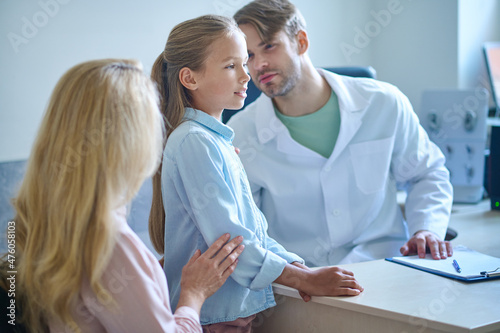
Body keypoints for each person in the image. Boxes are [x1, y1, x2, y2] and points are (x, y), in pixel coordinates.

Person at [148, 14, 363, 332]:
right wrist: (303, 278)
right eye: (231, 66)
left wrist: (296, 266)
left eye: (244, 64)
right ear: (190, 79)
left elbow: (254, 232)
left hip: (232, 313)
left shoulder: (214, 140)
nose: (246, 76)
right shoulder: (194, 140)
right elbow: (232, 241)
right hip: (213, 318)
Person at [0, 59, 245, 333]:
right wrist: (193, 296)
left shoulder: (44, 221)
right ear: (133, 140)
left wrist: (149, 271)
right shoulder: (109, 240)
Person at [227, 0, 454, 267]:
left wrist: (426, 229)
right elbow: (247, 230)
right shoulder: (241, 133)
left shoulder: (383, 103)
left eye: (269, 46)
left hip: (384, 266)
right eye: (249, 56)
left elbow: (427, 174)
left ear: (301, 42)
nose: (259, 65)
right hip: (302, 280)